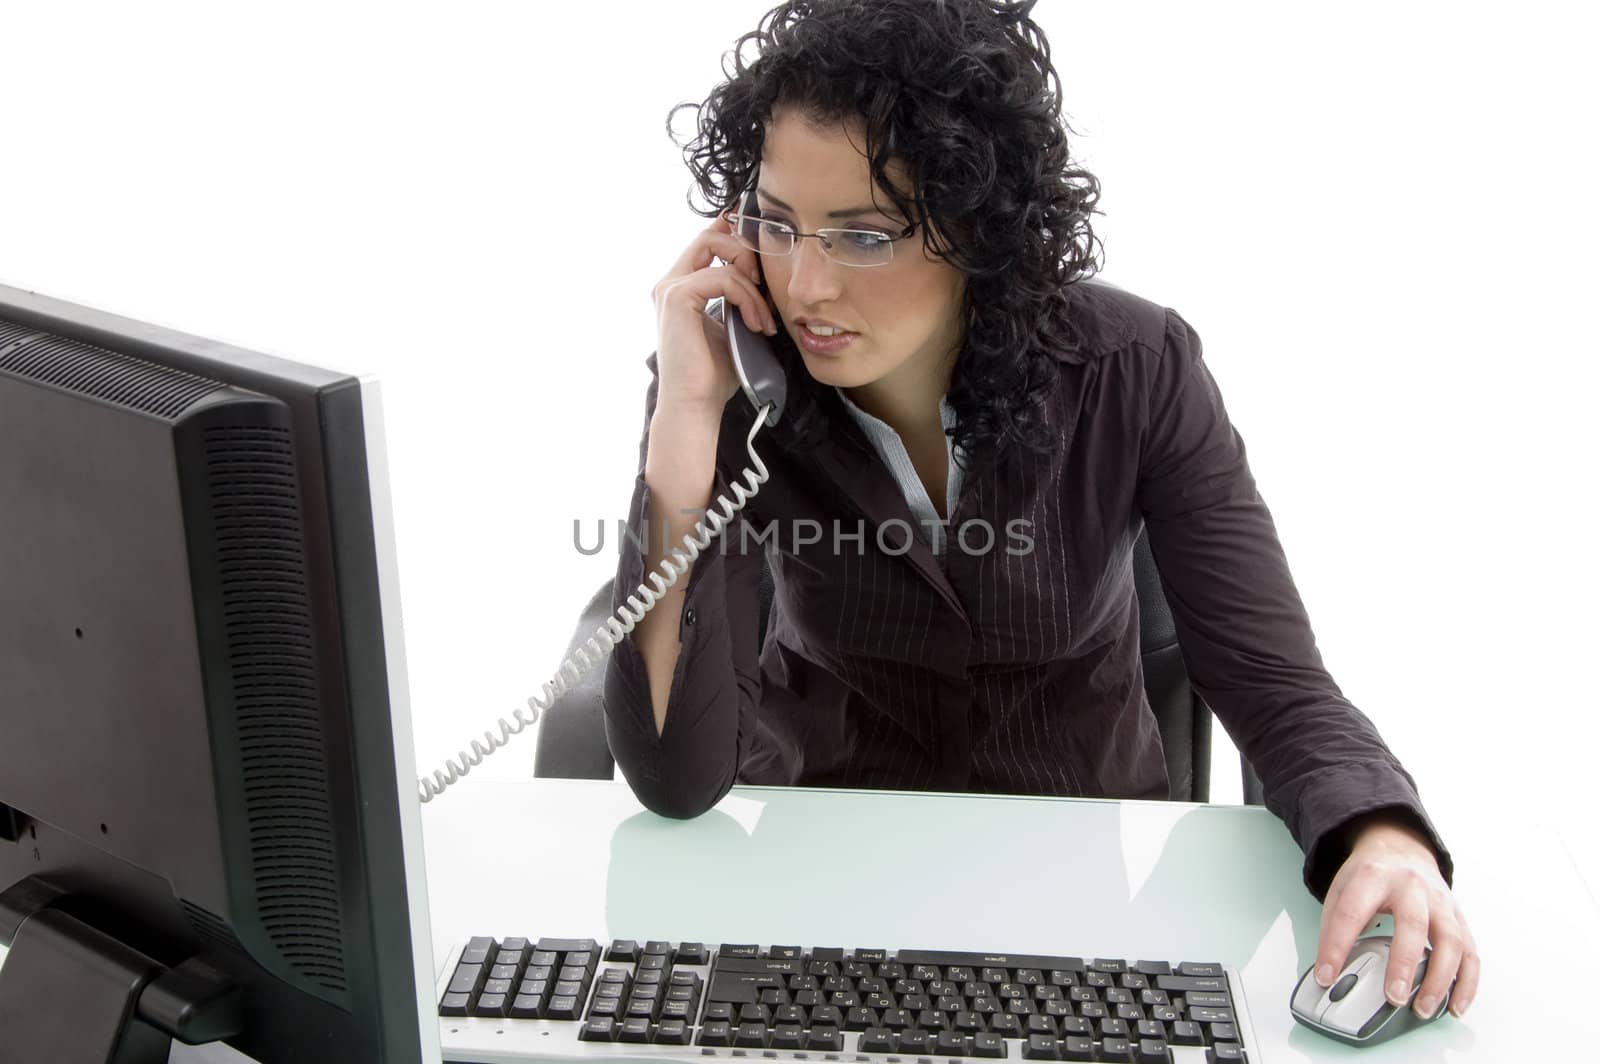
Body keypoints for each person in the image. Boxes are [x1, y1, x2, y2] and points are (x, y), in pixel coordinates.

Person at [601, 0, 1478, 1023]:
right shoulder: (748, 397)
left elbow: (1269, 675)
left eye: (864, 235)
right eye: (779, 224)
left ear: (981, 226)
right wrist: (685, 416)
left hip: (1082, 911)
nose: (804, 285)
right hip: (816, 887)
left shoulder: (1136, 368)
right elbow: (673, 776)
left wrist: (1381, 832)